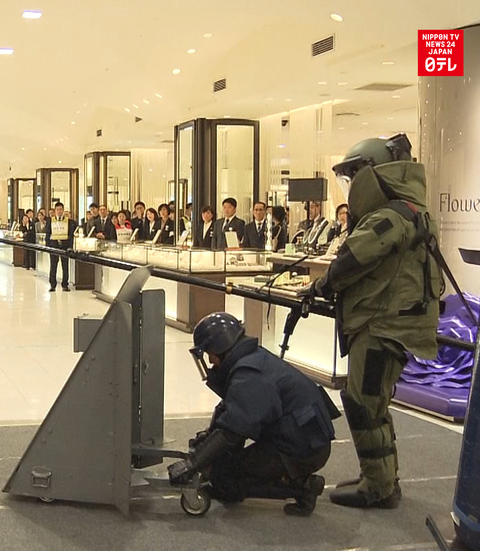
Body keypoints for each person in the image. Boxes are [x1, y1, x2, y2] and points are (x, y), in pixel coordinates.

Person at [299, 134, 442, 509]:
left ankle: (378, 487)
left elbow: (354, 259)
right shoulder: (410, 209)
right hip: (387, 322)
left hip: (384, 325)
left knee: (363, 402)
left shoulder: (390, 216)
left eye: (352, 177)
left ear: (370, 173)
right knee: (371, 401)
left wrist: (322, 284)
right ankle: (380, 478)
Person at [168, 313, 337, 517]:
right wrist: (208, 439)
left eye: (210, 353)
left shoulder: (248, 375)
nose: (210, 361)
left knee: (223, 477)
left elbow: (231, 434)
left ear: (220, 348)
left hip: (302, 449)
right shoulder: (250, 360)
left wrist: (192, 463)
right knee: (221, 461)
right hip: (302, 438)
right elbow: (230, 409)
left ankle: (303, 488)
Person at [46, 202, 77, 292]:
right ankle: (52, 285)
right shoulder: (50, 221)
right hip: (53, 246)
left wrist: (70, 247)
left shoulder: (69, 221)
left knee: (65, 265)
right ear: (55, 211)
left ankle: (65, 284)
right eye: (57, 210)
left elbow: (71, 235)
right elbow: (48, 234)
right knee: (53, 266)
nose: (59, 211)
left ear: (63, 210)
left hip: (64, 246)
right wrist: (48, 246)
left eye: (61, 209)